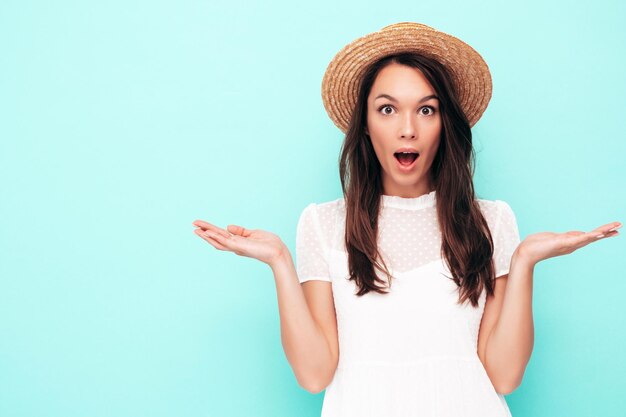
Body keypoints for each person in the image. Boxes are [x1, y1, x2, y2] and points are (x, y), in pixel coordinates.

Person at [192, 22, 621, 417]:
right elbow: (314, 375)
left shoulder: (491, 221)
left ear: (444, 125)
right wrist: (280, 263)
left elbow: (505, 377)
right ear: (364, 126)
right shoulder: (322, 224)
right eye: (387, 109)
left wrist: (525, 259)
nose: (408, 129)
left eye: (427, 110)